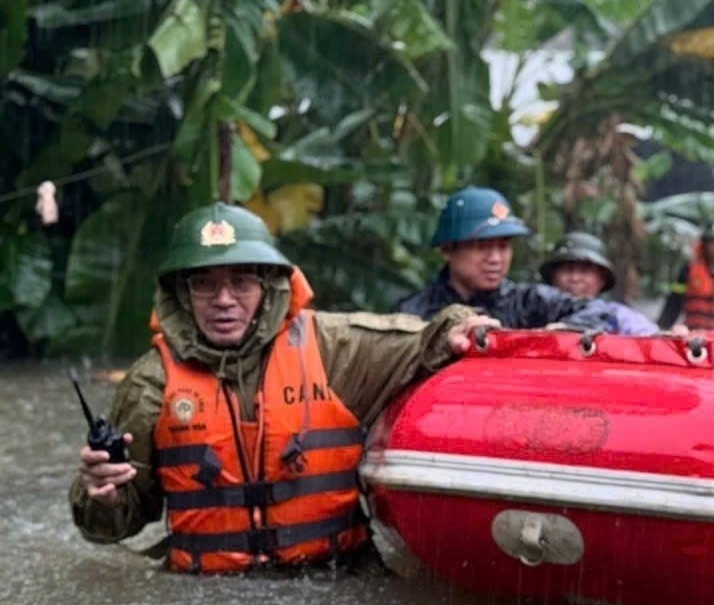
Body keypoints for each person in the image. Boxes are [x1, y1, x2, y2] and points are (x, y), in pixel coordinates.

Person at [71, 203, 496, 574]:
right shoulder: (151, 383)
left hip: (335, 580)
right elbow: (113, 526)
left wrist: (458, 327)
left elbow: (426, 341)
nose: (223, 299)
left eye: (241, 282)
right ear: (182, 294)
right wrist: (101, 496)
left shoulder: (334, 347)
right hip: (210, 595)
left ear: (269, 287)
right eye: (205, 283)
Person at [395, 187, 614, 331]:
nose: (496, 259)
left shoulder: (526, 302)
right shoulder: (415, 312)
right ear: (447, 249)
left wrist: (562, 331)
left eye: (503, 246)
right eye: (482, 246)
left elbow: (594, 310)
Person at [539, 231, 659, 336]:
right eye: (567, 270)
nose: (575, 278)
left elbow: (653, 341)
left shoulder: (618, 316)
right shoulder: (536, 313)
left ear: (602, 279)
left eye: (584, 271)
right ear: (552, 277)